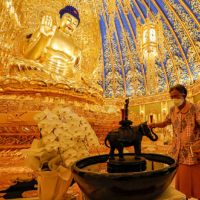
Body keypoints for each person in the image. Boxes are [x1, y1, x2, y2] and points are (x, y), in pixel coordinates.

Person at [148, 84, 200, 200]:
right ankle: (184, 197)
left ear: (183, 95)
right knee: (182, 180)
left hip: (193, 151)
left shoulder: (194, 108)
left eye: (176, 96)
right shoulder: (172, 110)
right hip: (178, 151)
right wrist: (153, 124)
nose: (174, 99)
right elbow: (166, 122)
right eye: (172, 97)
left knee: (196, 180)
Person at [9, 5, 82, 81]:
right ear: (59, 18)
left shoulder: (76, 47)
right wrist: (44, 38)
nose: (71, 24)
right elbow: (28, 58)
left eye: (74, 23)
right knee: (17, 67)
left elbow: (76, 72)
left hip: (65, 81)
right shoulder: (47, 30)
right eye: (68, 20)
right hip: (42, 74)